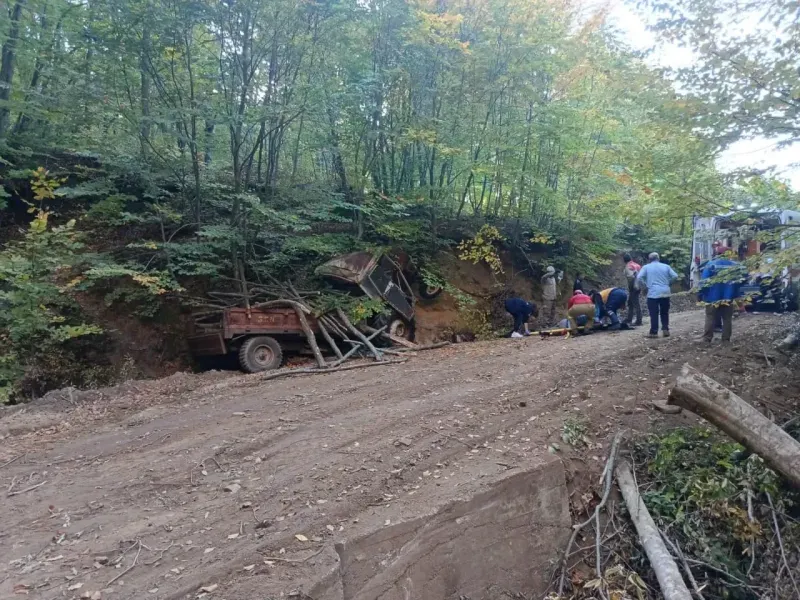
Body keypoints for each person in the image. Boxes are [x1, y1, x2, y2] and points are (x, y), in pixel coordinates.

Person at [697, 253, 745, 343]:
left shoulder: (711, 264)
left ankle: (707, 338)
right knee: (727, 318)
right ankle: (726, 339)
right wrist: (734, 293)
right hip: (728, 297)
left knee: (710, 317)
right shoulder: (734, 265)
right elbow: (740, 281)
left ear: (716, 254)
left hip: (712, 297)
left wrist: (702, 294)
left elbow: (703, 282)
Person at [636, 252, 679, 338]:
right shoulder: (666, 266)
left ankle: (654, 332)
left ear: (649, 259)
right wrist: (668, 283)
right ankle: (665, 329)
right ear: (658, 258)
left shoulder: (646, 267)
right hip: (665, 292)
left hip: (653, 293)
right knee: (664, 312)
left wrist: (645, 286)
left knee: (654, 313)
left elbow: (639, 277)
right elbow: (675, 276)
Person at [623, 253, 642, 326]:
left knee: (636, 303)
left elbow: (631, 277)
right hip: (639, 286)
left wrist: (631, 287)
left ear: (624, 260)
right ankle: (629, 318)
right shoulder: (637, 265)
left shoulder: (628, 266)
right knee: (630, 302)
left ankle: (638, 320)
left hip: (633, 287)